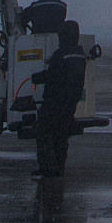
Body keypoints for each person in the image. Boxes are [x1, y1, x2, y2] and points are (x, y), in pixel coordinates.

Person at [35, 19, 88, 176]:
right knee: (62, 136)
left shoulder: (61, 54)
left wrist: (37, 77)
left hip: (55, 101)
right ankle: (59, 167)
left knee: (44, 132)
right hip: (71, 102)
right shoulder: (80, 54)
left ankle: (48, 167)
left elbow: (54, 75)